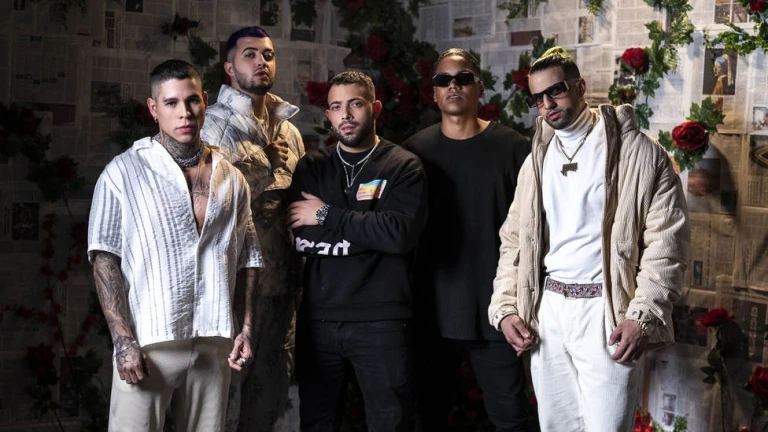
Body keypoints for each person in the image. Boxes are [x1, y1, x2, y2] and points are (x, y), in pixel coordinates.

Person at [488, 48, 690, 431]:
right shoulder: (536, 160)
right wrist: (506, 306)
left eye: (556, 91)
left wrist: (641, 316)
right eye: (537, 98)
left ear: (579, 87)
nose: (547, 104)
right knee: (556, 426)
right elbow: (514, 241)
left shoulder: (641, 154)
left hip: (607, 310)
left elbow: (667, 245)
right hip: (548, 312)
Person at [87, 59, 262, 431]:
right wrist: (123, 340)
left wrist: (245, 328)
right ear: (154, 108)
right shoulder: (123, 172)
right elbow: (104, 258)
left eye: (192, 100)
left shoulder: (232, 179)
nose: (185, 112)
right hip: (150, 342)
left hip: (214, 342)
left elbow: (248, 257)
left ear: (205, 101)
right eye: (171, 103)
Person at [287, 70, 427, 432]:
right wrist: (369, 234)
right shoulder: (313, 167)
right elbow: (301, 237)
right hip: (320, 320)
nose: (345, 115)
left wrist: (325, 215)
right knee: (317, 423)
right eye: (336, 107)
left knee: (390, 423)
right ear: (328, 115)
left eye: (355, 104)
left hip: (382, 321)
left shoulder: (403, 166)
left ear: (375, 108)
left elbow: (398, 234)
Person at [402, 48, 531, 432]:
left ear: (480, 87)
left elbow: (534, 230)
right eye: (443, 80)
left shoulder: (513, 148)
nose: (453, 85)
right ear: (434, 92)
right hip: (433, 312)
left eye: (463, 78)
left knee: (511, 420)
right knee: (428, 418)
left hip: (499, 312)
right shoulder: (413, 152)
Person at [200, 26, 305, 431]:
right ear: (229, 68)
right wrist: (262, 163)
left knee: (271, 398)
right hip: (231, 291)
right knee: (223, 402)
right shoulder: (210, 127)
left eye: (268, 54)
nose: (261, 61)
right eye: (250, 54)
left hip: (282, 288)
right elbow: (207, 204)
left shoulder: (289, 130)